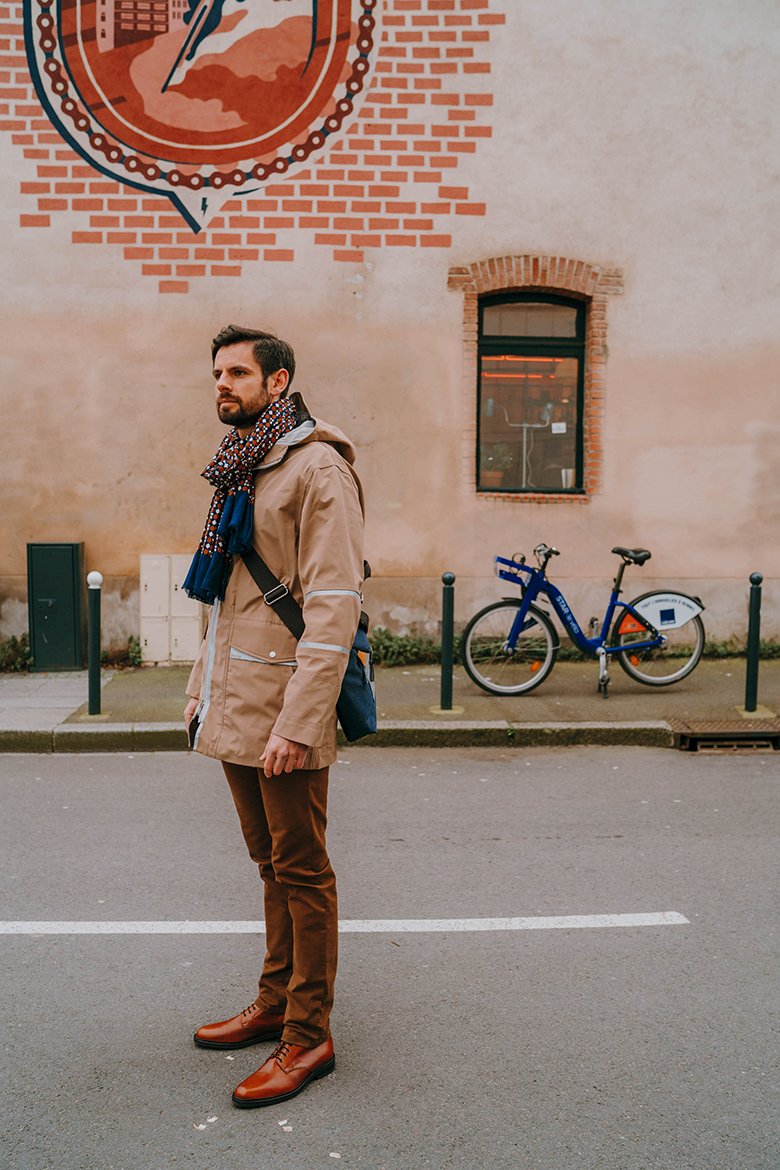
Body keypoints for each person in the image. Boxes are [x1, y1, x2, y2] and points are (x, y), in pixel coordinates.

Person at [182, 324, 365, 1108]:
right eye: (216, 373)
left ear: (278, 382)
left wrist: (299, 721)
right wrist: (199, 687)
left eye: (237, 373)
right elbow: (226, 596)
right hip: (236, 696)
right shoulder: (240, 467)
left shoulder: (316, 468)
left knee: (302, 869)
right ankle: (274, 1000)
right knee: (269, 865)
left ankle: (308, 1033)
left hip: (285, 705)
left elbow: (333, 608)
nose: (222, 384)